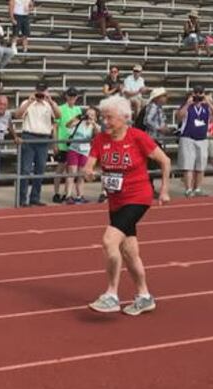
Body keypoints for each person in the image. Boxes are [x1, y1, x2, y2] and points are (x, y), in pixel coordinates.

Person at [85, 95, 172, 316]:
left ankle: (111, 294)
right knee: (129, 251)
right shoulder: (100, 140)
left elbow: (165, 161)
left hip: (138, 197)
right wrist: (88, 172)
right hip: (116, 200)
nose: (106, 122)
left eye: (110, 117)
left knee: (108, 240)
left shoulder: (138, 137)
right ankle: (144, 296)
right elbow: (90, 165)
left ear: (125, 117)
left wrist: (164, 190)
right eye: (104, 117)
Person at [15, 82, 60, 207]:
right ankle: (22, 199)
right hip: (29, 136)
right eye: (39, 91)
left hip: (43, 138)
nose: (40, 93)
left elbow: (58, 115)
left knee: (40, 169)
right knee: (25, 169)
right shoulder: (28, 102)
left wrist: (50, 101)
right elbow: (17, 115)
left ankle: (35, 197)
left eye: (43, 91)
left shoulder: (49, 104)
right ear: (35, 90)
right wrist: (30, 101)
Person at [64, 107, 101, 204]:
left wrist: (93, 123)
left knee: (81, 175)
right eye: (88, 114)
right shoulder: (79, 122)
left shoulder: (94, 126)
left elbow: (99, 134)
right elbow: (67, 125)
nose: (90, 117)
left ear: (95, 117)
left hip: (85, 151)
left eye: (92, 115)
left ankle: (80, 196)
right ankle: (68, 196)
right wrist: (76, 119)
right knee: (72, 173)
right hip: (74, 149)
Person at [53, 87, 83, 203]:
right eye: (70, 96)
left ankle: (67, 193)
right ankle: (56, 192)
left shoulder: (78, 110)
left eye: (74, 96)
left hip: (73, 144)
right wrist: (55, 143)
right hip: (62, 142)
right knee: (60, 168)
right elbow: (55, 127)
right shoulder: (60, 109)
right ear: (66, 96)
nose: (72, 98)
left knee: (71, 170)